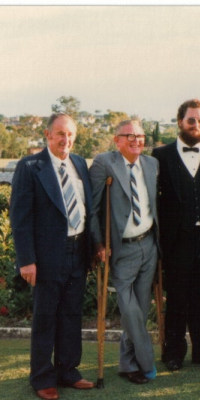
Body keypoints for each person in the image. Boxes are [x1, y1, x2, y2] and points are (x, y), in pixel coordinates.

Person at [10, 113, 94, 400]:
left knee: (71, 315)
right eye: (59, 134)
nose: (65, 139)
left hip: (77, 251)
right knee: (45, 318)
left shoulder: (80, 163)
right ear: (47, 135)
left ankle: (68, 372)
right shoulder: (30, 166)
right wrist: (26, 260)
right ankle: (42, 378)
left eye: (70, 134)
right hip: (46, 257)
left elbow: (86, 208)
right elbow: (20, 217)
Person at [152, 99, 200, 371]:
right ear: (180, 121)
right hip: (176, 240)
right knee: (178, 298)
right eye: (191, 120)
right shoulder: (160, 156)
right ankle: (173, 353)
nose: (196, 125)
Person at [90, 120, 160, 385]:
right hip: (120, 249)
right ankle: (146, 359)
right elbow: (95, 207)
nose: (135, 140)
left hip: (148, 245)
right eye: (128, 135)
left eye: (140, 135)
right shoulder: (104, 162)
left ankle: (127, 364)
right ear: (116, 140)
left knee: (141, 308)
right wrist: (98, 244)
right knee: (130, 310)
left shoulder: (152, 165)